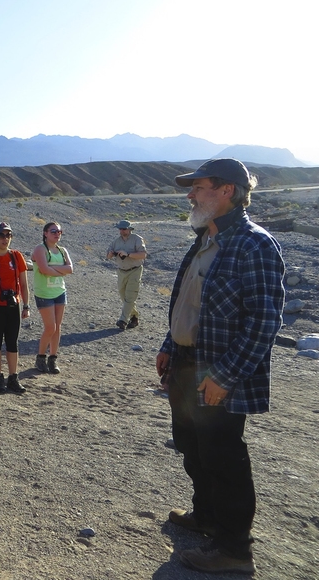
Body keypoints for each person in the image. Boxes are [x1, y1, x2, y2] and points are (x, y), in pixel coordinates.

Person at [156, 158, 284, 574]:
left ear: (227, 190)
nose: (190, 195)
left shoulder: (254, 244)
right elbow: (188, 300)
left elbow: (264, 321)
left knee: (223, 458)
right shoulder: (204, 237)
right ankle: (207, 517)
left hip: (218, 371)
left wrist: (225, 376)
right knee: (193, 448)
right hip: (186, 364)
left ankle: (234, 550)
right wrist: (169, 344)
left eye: (199, 187)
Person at [0, 223, 30, 393]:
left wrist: (26, 305)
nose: (5, 238)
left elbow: (23, 283)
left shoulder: (17, 256)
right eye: (1, 235)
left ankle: (13, 377)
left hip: (12, 305)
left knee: (12, 342)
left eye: (8, 235)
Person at [31, 222, 73, 374]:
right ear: (45, 233)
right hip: (44, 293)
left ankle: (53, 358)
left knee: (57, 327)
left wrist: (52, 269)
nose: (57, 234)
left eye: (59, 231)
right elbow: (43, 269)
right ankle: (41, 357)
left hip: (59, 292)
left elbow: (70, 269)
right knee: (51, 327)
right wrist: (60, 271)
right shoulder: (39, 249)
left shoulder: (62, 250)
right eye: (53, 231)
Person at [106, 219, 147, 330]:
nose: (121, 231)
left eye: (123, 229)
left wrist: (128, 254)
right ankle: (134, 317)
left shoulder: (137, 239)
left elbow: (143, 255)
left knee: (130, 296)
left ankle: (123, 320)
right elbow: (108, 256)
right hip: (121, 271)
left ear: (129, 229)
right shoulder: (116, 241)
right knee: (123, 296)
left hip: (135, 270)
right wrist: (110, 254)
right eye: (120, 229)